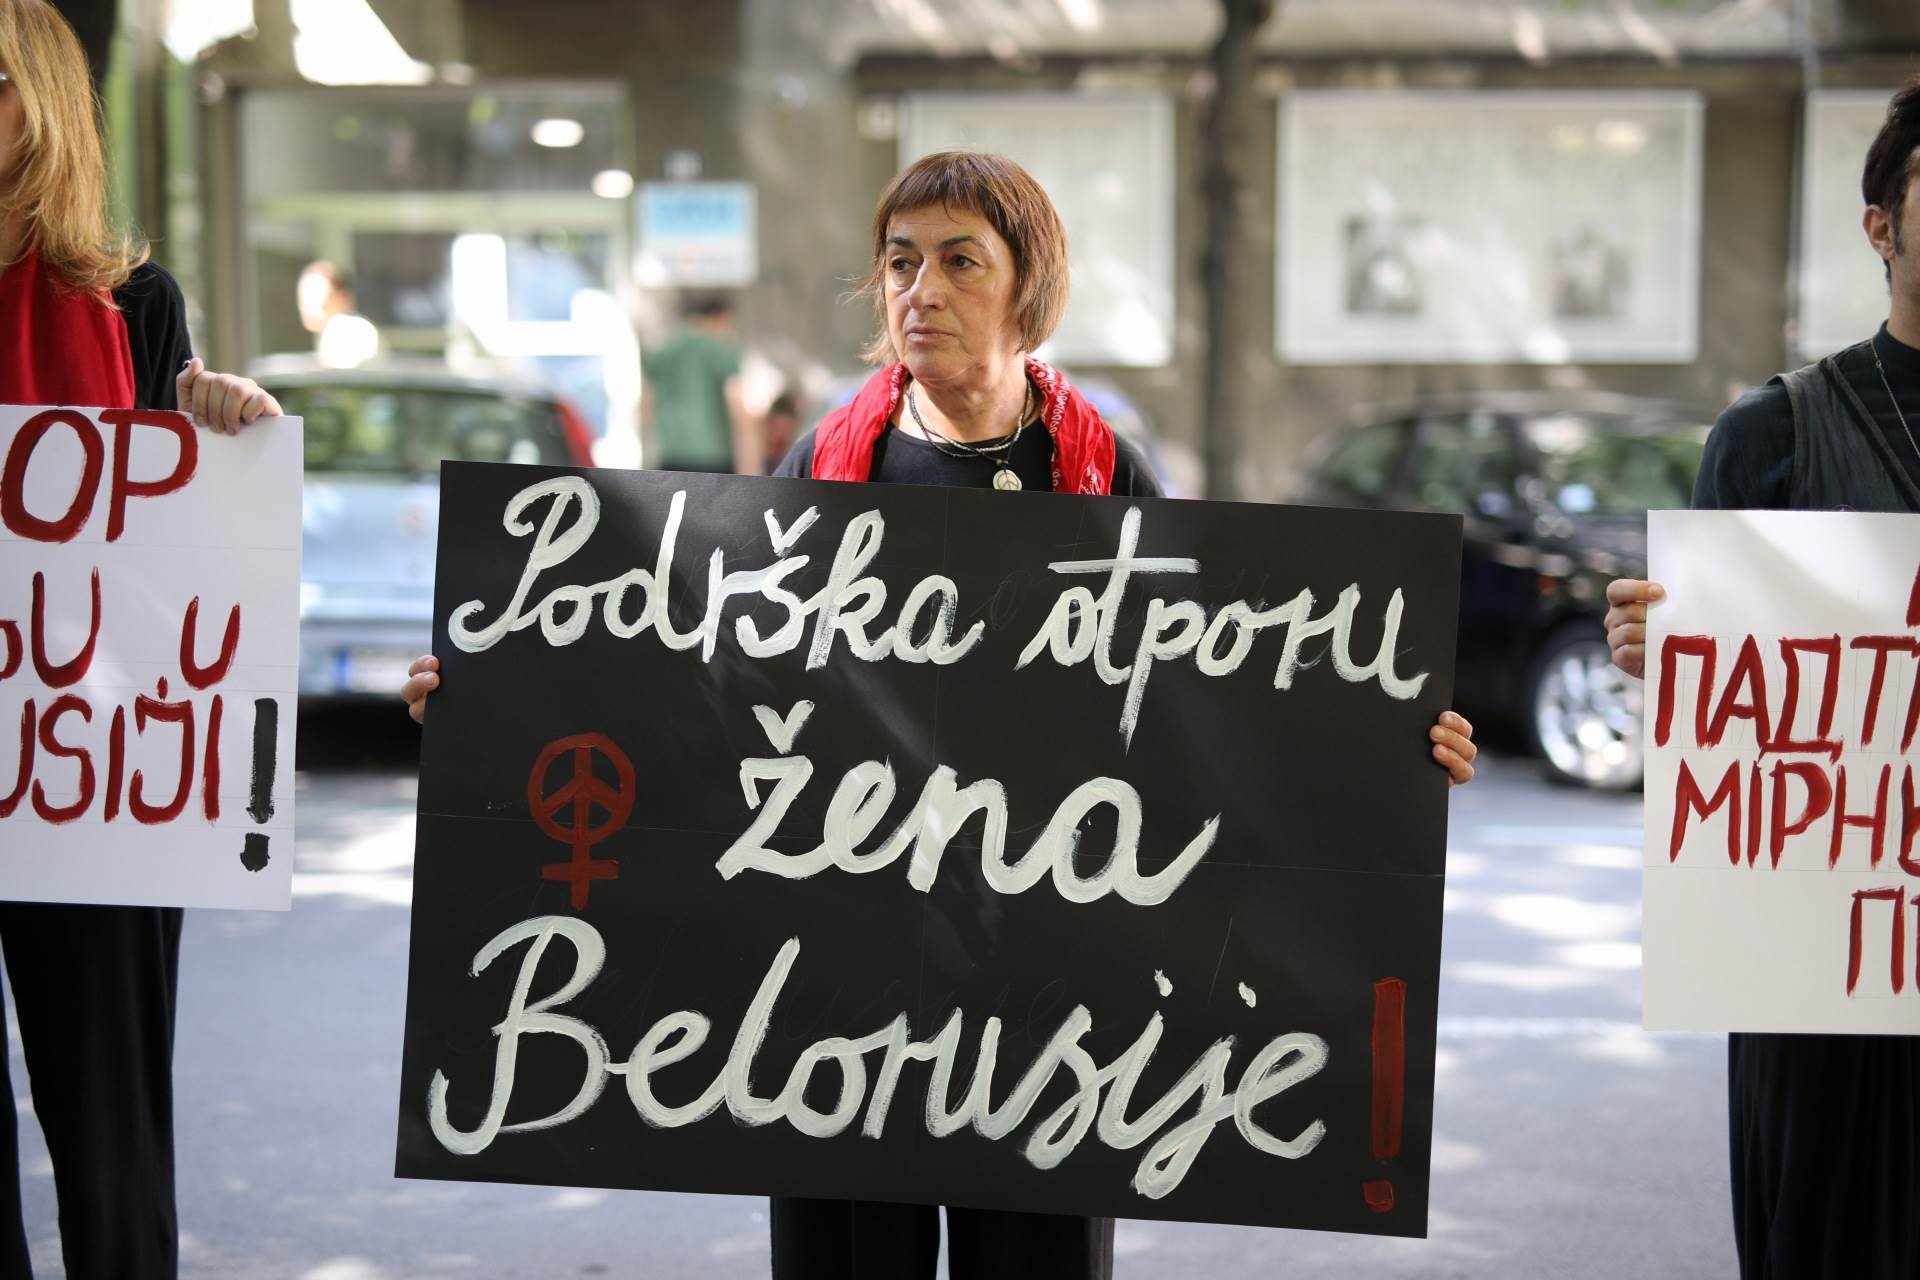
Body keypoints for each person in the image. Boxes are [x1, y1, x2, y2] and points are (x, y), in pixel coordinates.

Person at [403, 149, 1478, 1279]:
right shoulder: (828, 461)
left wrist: (1387, 751)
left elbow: (1219, 703)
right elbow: (712, 684)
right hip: (843, 975)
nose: (922, 289)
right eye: (901, 261)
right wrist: (499, 697)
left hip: (1054, 975)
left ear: (1028, 286)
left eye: (961, 260)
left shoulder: (1107, 470)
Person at [1604, 77, 1920, 1280]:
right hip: (1821, 975)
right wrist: (1664, 651)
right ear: (1880, 225)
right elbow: (1724, 709)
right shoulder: (1775, 433)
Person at [0, 3, 280, 1275]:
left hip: (90, 781)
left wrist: (222, 421)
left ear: (49, 100)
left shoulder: (133, 306)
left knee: (114, 1141)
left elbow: (174, 537)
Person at [640, 294, 756, 473]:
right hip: (714, 458)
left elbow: (646, 405)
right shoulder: (720, 350)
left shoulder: (661, 352)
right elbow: (737, 406)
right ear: (720, 318)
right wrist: (750, 463)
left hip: (670, 456)